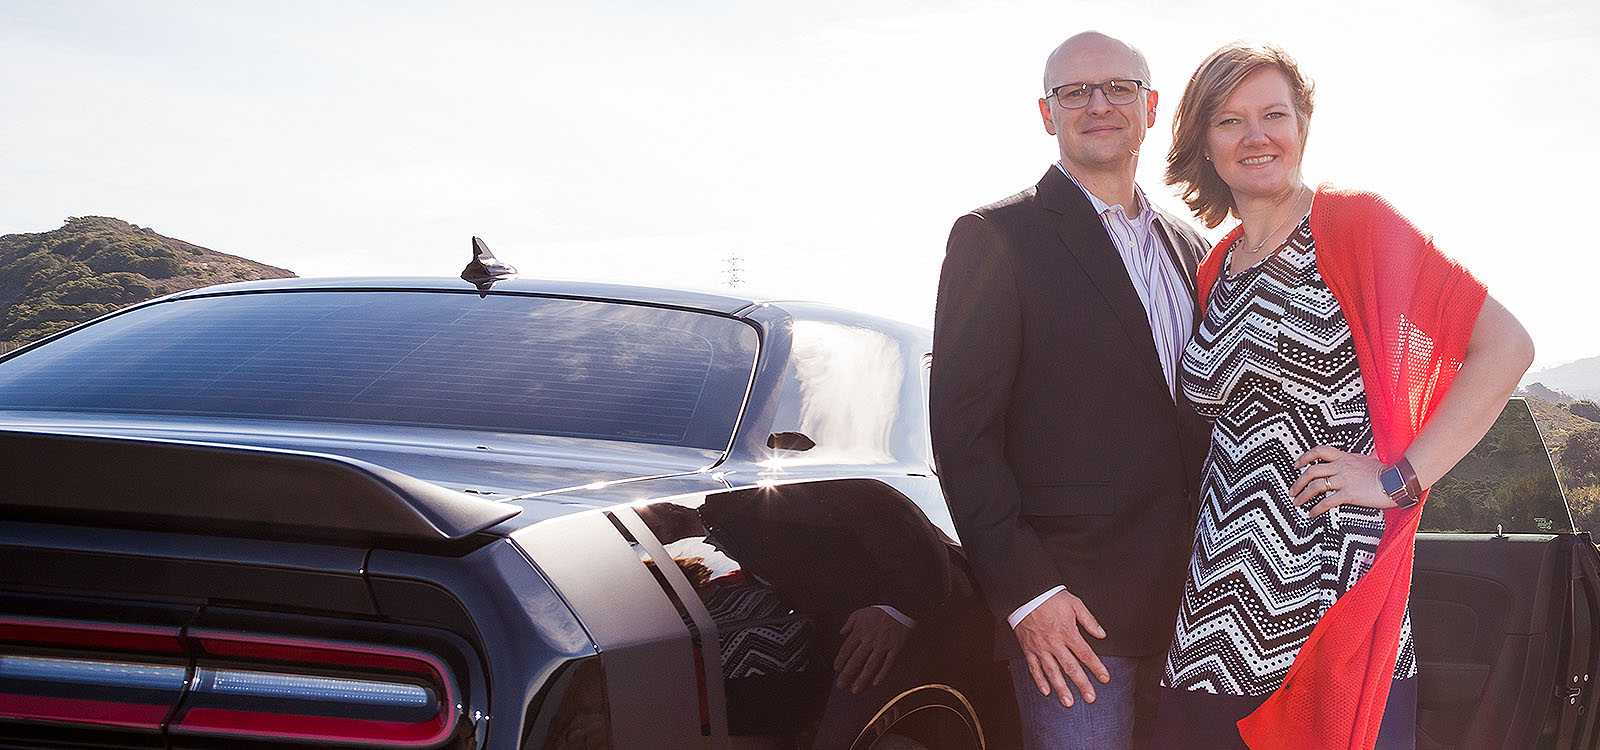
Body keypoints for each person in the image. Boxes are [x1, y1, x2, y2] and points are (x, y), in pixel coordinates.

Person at [1151, 43, 1535, 749]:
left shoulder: (1353, 223)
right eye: (1231, 121)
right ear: (1203, 140)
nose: (1256, 135)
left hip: (1327, 588)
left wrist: (1401, 477)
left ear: (1304, 125)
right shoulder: (1213, 266)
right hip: (1214, 608)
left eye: (1275, 114)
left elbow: (1506, 347)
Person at [930, 31, 1212, 750]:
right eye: (1074, 92)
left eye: (1118, 88)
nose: (1098, 105)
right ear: (1046, 113)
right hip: (1075, 622)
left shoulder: (1194, 248)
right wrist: (1028, 596)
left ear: (1150, 108)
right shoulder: (996, 236)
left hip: (1201, 614)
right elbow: (964, 438)